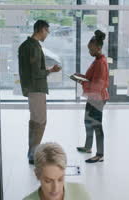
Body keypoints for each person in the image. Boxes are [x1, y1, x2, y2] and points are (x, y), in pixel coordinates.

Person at [19, 20, 62, 164]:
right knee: (40, 122)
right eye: (47, 31)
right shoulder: (34, 47)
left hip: (30, 88)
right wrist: (51, 70)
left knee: (34, 121)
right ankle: (33, 154)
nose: (47, 34)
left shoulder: (25, 45)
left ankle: (31, 151)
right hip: (36, 88)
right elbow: (36, 72)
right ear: (41, 29)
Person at [73, 30, 109, 163]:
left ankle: (100, 154)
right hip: (93, 96)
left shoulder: (101, 63)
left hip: (98, 98)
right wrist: (81, 77)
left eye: (91, 49)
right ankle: (88, 147)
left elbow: (98, 85)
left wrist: (82, 81)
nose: (89, 51)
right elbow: (92, 79)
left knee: (96, 125)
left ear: (98, 48)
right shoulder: (97, 60)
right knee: (88, 121)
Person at [23, 142, 91, 200]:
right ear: (37, 174)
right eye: (48, 181)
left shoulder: (80, 193)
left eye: (60, 179)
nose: (55, 188)